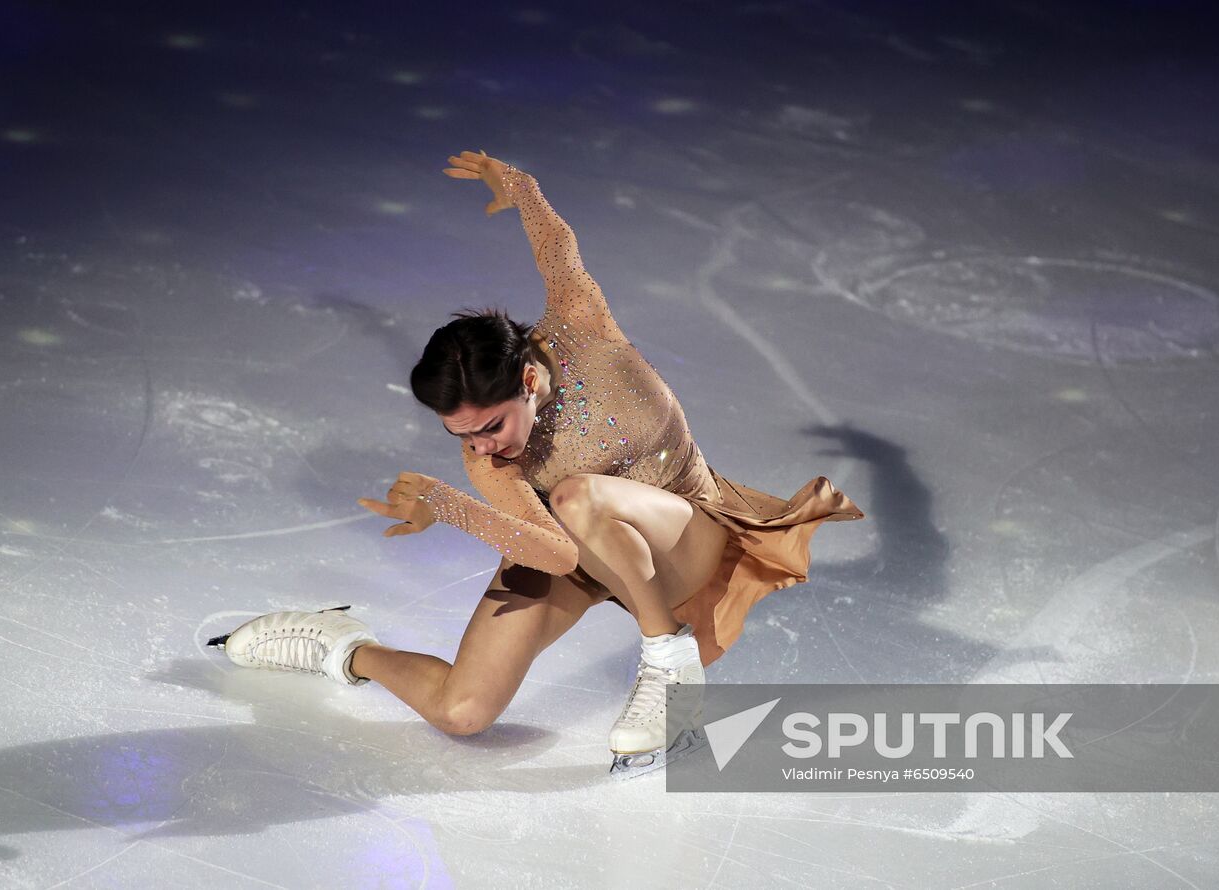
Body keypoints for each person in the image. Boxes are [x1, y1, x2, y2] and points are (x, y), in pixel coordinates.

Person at [207, 150, 865, 777]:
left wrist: (521, 187)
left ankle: (668, 664)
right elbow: (550, 556)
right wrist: (449, 503)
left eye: (490, 427)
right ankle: (340, 644)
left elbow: (557, 249)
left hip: (682, 534)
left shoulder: (583, 327)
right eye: (462, 436)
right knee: (462, 712)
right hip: (574, 554)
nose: (483, 449)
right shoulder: (489, 462)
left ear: (527, 380)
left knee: (579, 495)